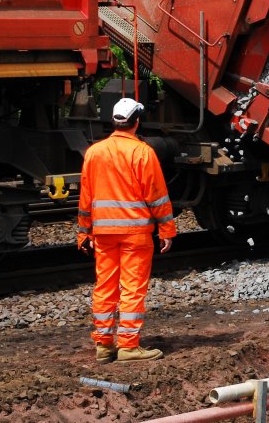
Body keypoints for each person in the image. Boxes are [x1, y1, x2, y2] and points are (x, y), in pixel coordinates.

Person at [77, 97, 176, 363]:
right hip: (135, 233)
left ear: (114, 122)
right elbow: (157, 196)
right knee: (132, 288)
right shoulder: (143, 152)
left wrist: (83, 232)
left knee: (105, 286)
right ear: (137, 122)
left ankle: (104, 345)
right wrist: (167, 230)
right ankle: (129, 346)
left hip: (103, 233)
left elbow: (85, 197)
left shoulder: (94, 152)